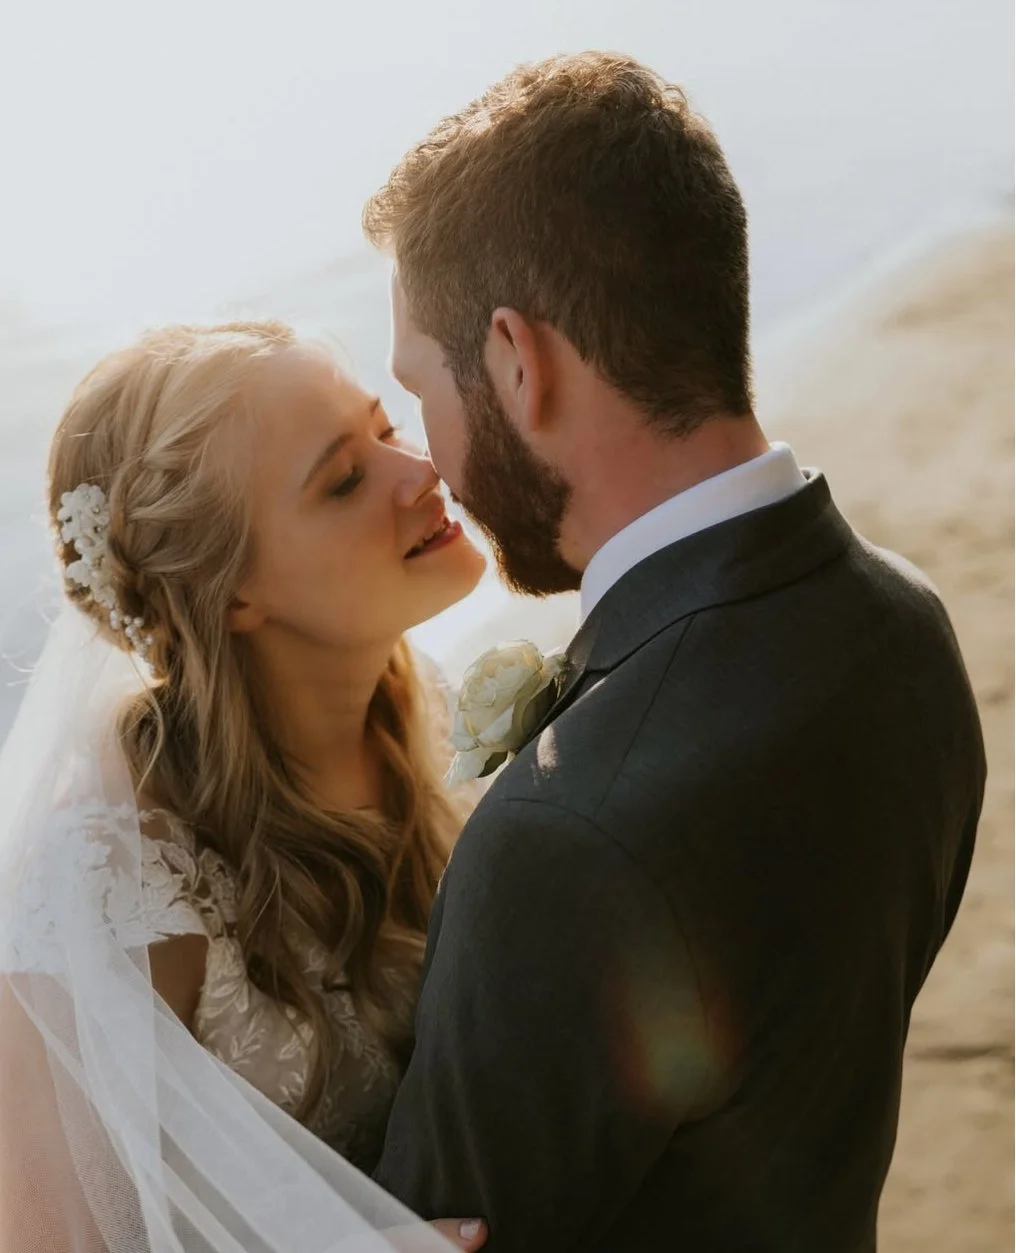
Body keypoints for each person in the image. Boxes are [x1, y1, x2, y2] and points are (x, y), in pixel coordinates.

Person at [363, 52, 987, 1250]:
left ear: (512, 359)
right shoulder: (904, 626)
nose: (431, 456)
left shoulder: (566, 835)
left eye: (419, 389)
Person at [0, 321, 489, 1252]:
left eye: (386, 430)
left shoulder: (433, 710)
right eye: (344, 478)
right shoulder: (118, 880)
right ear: (232, 595)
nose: (417, 471)